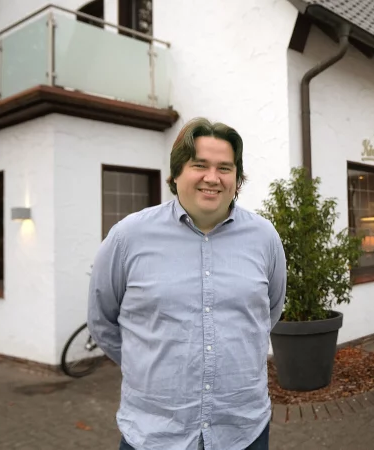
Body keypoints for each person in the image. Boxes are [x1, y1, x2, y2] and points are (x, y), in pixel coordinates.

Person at [88, 117, 287, 450]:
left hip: (243, 431)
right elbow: (102, 321)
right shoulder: (128, 238)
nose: (212, 177)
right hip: (154, 434)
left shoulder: (264, 237)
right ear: (176, 172)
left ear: (237, 178)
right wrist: (149, 365)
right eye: (200, 165)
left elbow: (270, 311)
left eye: (225, 167)